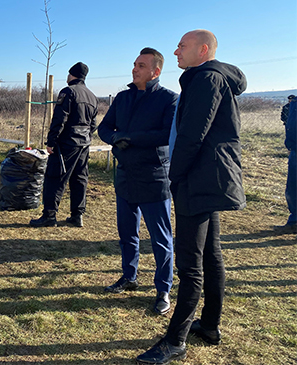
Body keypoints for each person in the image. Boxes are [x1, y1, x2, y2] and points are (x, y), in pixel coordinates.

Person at [136, 30, 247, 365]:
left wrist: (175, 175)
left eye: (182, 47)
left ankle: (175, 341)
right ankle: (210, 327)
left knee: (190, 265)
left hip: (198, 180)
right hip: (208, 179)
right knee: (211, 257)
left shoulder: (205, 79)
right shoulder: (210, 78)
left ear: (202, 50)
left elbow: (191, 135)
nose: (176, 51)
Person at [97, 48, 178, 315]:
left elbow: (167, 134)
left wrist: (131, 138)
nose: (135, 69)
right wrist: (113, 139)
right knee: (127, 233)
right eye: (134, 64)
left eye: (141, 66)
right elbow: (104, 128)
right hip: (125, 175)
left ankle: (163, 290)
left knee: (160, 238)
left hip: (154, 177)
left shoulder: (168, 99)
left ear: (156, 72)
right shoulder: (122, 98)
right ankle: (129, 276)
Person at [30, 62, 98, 228]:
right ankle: (77, 215)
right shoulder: (92, 96)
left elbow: (60, 118)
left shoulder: (68, 92)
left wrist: (52, 141)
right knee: (79, 179)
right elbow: (94, 124)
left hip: (67, 143)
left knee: (55, 178)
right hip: (84, 144)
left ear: (72, 75)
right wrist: (85, 137)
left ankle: (49, 216)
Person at [275, 96, 296, 233]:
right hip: (295, 148)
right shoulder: (293, 104)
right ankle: (294, 222)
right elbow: (288, 122)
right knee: (293, 188)